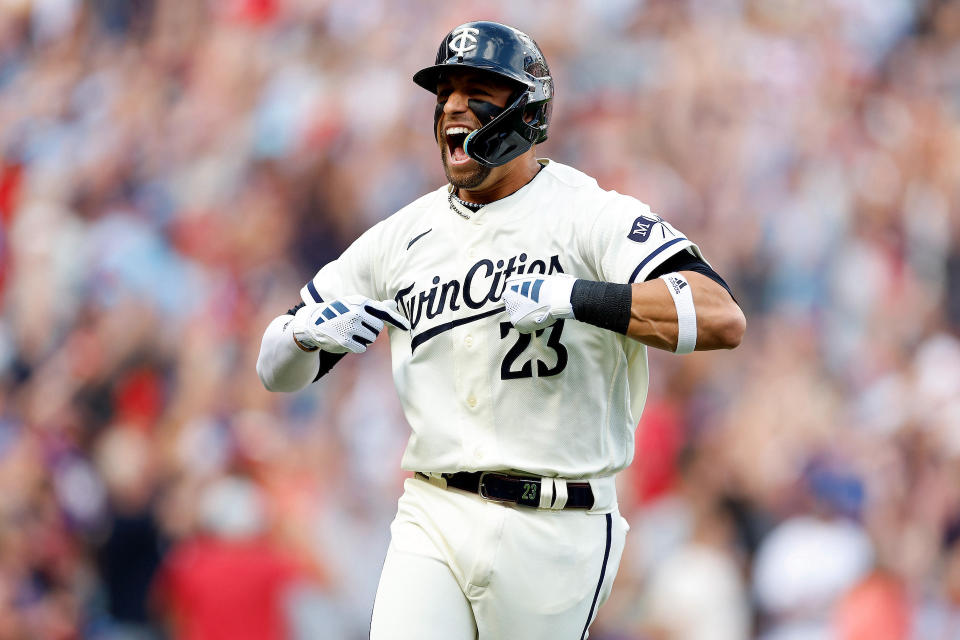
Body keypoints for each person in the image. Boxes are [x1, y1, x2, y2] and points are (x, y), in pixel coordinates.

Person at [256, 20, 745, 640]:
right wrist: (302, 339)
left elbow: (721, 315)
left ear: (526, 112)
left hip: (558, 525)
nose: (455, 106)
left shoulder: (588, 212)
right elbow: (274, 373)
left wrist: (574, 295)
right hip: (435, 510)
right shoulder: (401, 237)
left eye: (478, 89)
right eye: (446, 93)